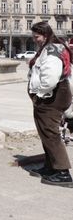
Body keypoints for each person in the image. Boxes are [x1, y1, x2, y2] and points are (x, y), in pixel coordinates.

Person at [26, 21, 73, 187]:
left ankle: (62, 172)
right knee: (46, 132)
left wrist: (39, 95)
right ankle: (51, 166)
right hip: (52, 95)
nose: (35, 39)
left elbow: (51, 77)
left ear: (45, 35)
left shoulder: (52, 50)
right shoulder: (49, 47)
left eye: (37, 36)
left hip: (52, 96)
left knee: (50, 133)